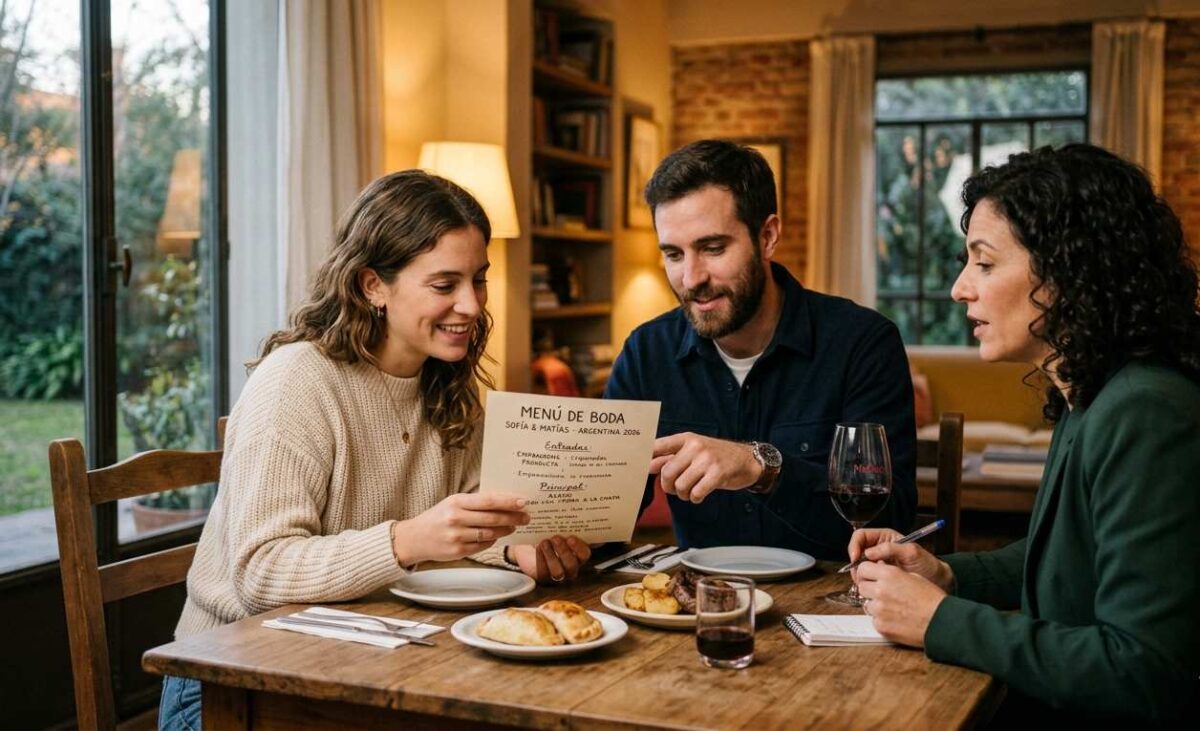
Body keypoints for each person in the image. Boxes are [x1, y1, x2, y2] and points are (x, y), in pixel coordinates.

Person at [158, 171, 590, 730]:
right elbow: (260, 573)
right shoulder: (296, 382)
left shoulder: (447, 383)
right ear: (372, 286)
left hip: (370, 665)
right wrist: (409, 539)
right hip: (230, 682)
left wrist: (510, 552)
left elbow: (454, 530)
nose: (471, 305)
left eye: (478, 281)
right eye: (444, 285)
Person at [850, 144, 1200, 722]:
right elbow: (1063, 565)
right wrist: (945, 574)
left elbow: (1146, 671)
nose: (961, 288)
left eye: (984, 264)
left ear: (1068, 271)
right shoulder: (1088, 395)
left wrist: (939, 620)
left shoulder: (1146, 412)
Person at [604, 139, 916, 559]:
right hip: (700, 608)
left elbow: (891, 518)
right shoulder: (646, 352)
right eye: (674, 254)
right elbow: (607, 511)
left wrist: (762, 468)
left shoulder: (863, 344)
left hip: (832, 604)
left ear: (767, 236)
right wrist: (548, 536)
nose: (691, 277)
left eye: (713, 248)